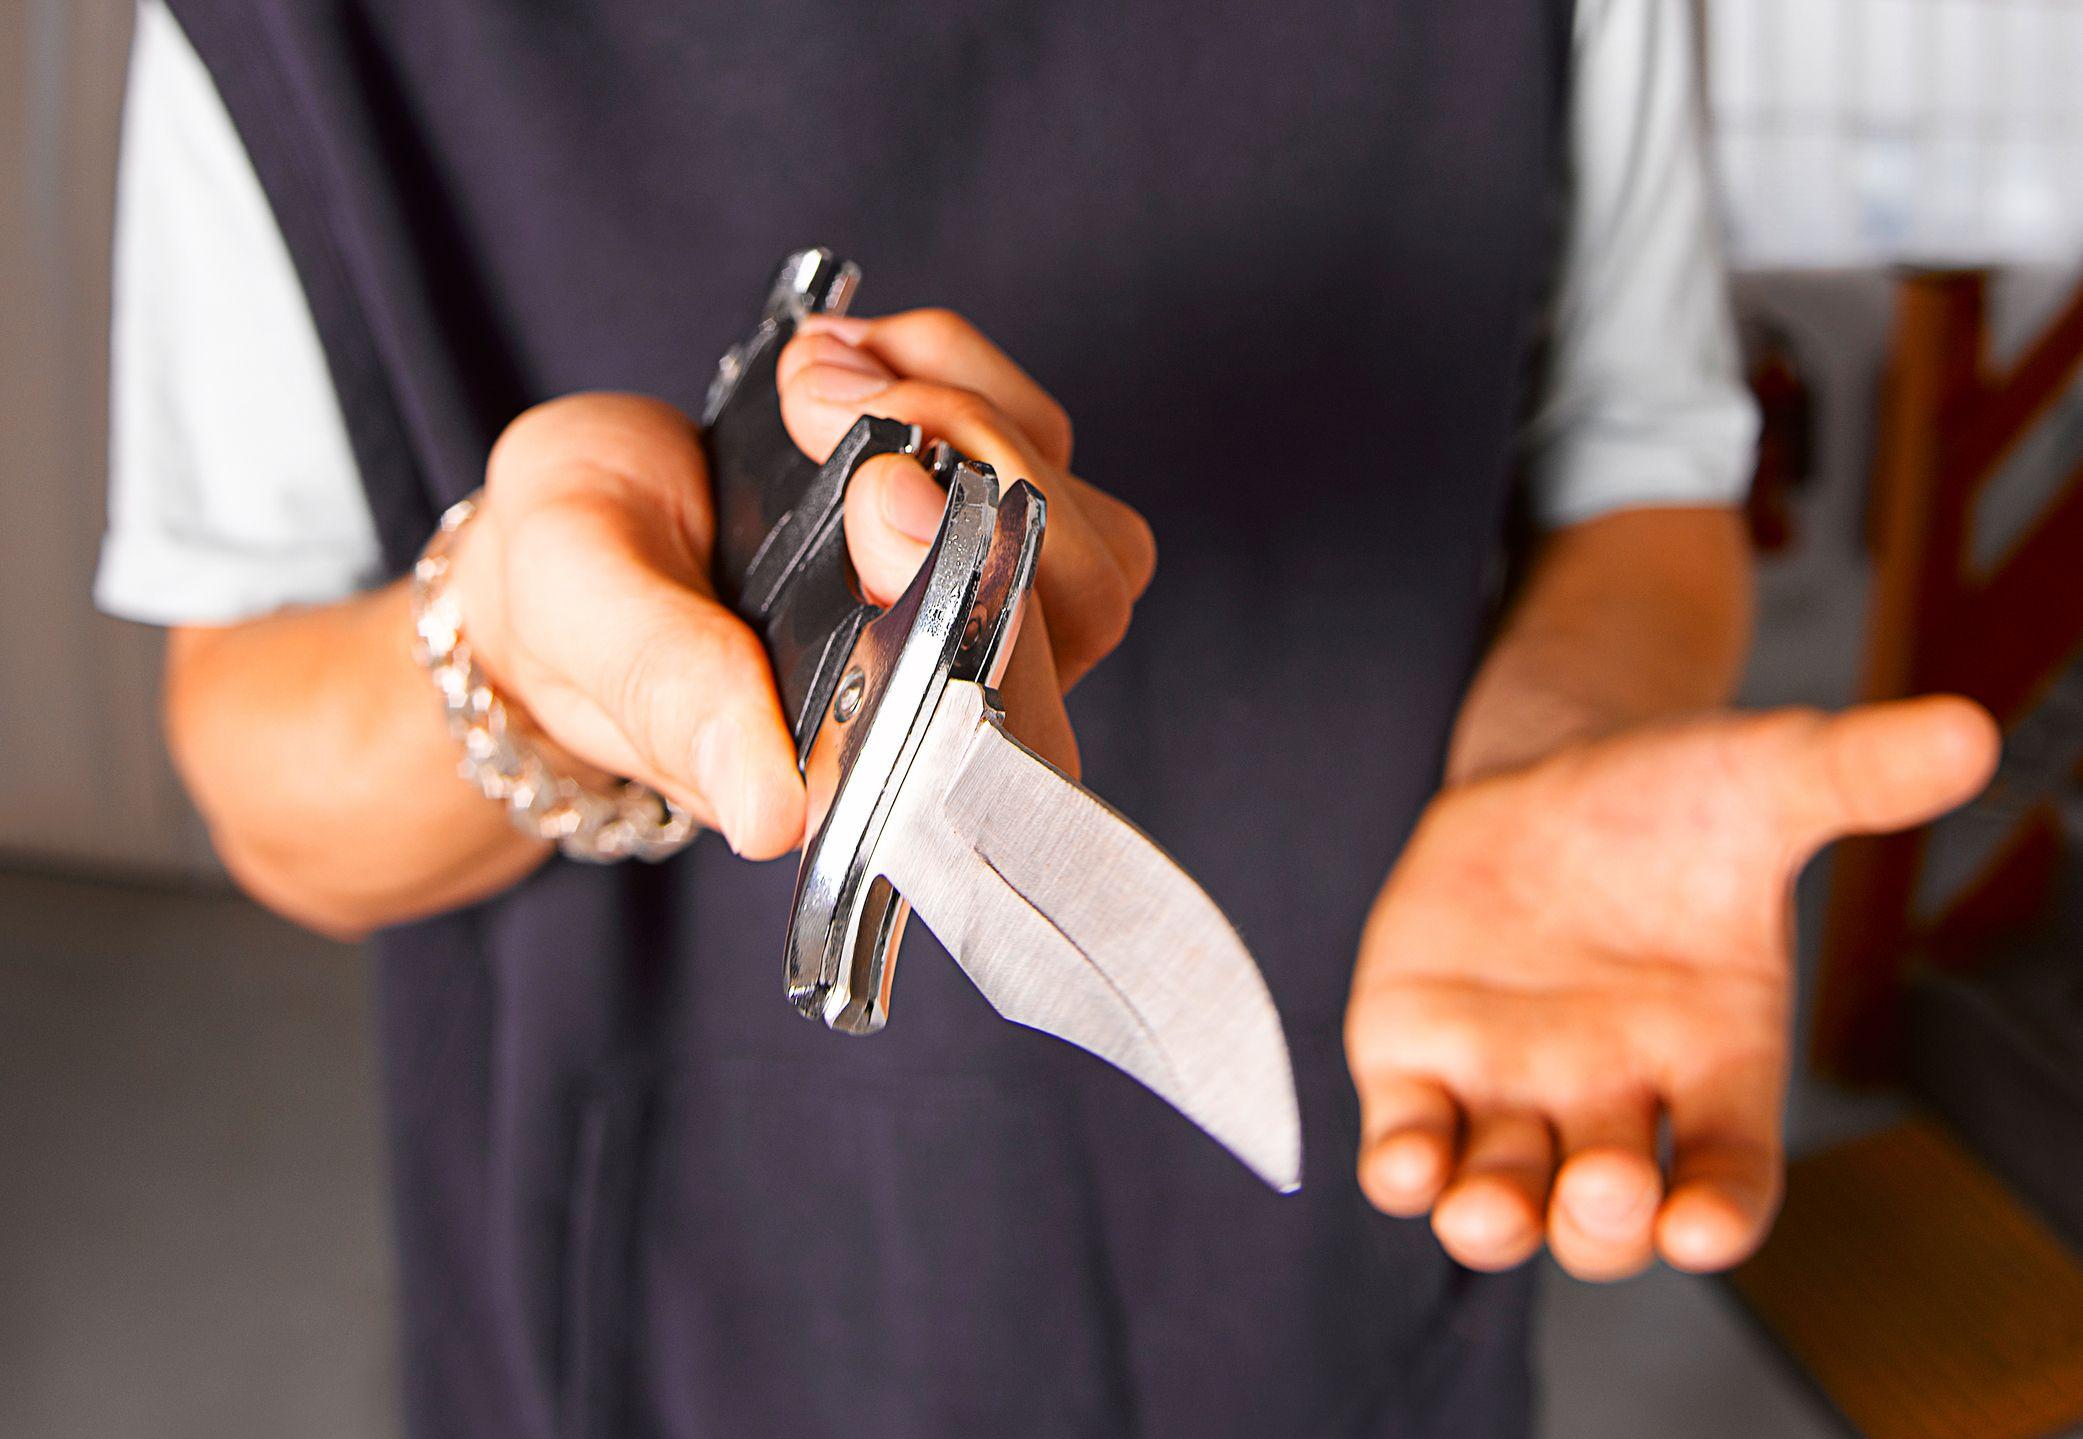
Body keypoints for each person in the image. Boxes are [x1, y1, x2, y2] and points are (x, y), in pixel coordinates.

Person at [99, 0, 1998, 1433]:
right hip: (641, 1280)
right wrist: (519, 647)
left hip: (1339, 1167)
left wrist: (1555, 746)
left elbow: (1639, 468)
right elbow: (268, 775)